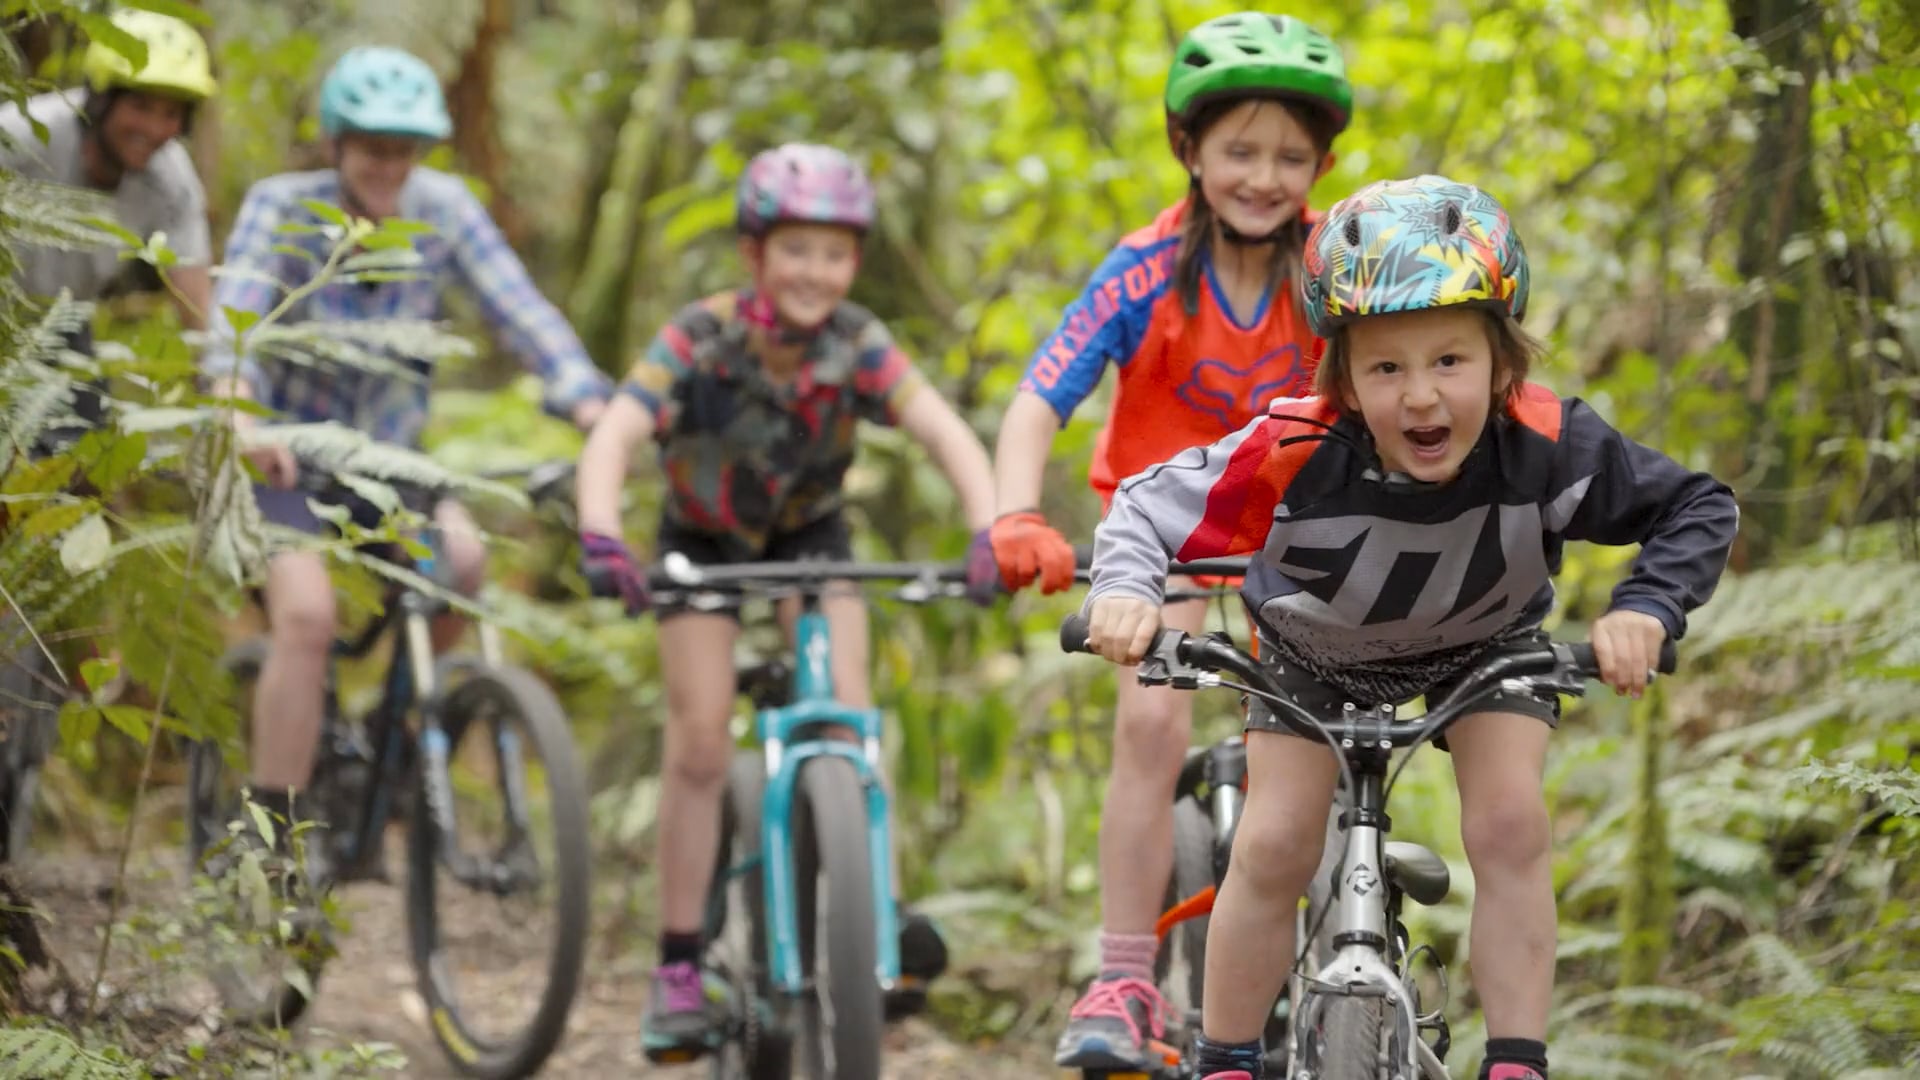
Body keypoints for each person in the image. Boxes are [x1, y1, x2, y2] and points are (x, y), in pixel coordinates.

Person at [1078, 175, 1740, 1080]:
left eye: (1450, 363)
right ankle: (1227, 1060)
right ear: (1342, 378)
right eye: (1386, 368)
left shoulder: (1548, 442)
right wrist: (1126, 592)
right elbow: (1147, 508)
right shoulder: (1293, 449)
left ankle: (1515, 1063)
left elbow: (1697, 507)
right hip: (1312, 648)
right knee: (1271, 842)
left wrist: (1645, 608)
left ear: (1503, 363)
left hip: (1484, 645)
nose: (1421, 397)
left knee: (1510, 822)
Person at [572, 142, 1000, 1061]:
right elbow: (616, 431)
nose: (817, 272)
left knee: (848, 715)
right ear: (754, 254)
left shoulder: (860, 342)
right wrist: (602, 530)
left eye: (836, 252)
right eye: (796, 249)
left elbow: (943, 431)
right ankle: (680, 963)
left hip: (810, 538)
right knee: (697, 740)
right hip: (704, 543)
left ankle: (868, 914)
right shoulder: (699, 334)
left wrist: (990, 526)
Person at [986, 12, 1354, 1070]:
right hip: (1168, 540)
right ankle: (1124, 976)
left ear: (1320, 165)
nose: (1263, 175)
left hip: (1300, 540)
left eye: (1290, 155)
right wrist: (1017, 513)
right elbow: (1036, 398)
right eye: (1239, 150)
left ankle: (1349, 935)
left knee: (1338, 737)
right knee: (1150, 727)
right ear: (1189, 152)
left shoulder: (1337, 265)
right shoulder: (1145, 269)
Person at [201, 46, 611, 865]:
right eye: (373, 148)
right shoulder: (282, 207)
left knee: (461, 564)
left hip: (390, 470)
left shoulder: (444, 208)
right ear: (337, 145)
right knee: (309, 618)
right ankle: (272, 843)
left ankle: (395, 754)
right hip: (284, 467)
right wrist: (240, 419)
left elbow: (521, 312)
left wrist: (589, 398)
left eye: (404, 150)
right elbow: (231, 330)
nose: (390, 166)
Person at [0, 7, 219, 433]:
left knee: (84, 459)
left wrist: (220, 393)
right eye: (140, 105)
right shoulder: (22, 136)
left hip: (62, 324)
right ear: (101, 98)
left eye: (171, 113)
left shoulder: (173, 181)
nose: (155, 128)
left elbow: (195, 301)